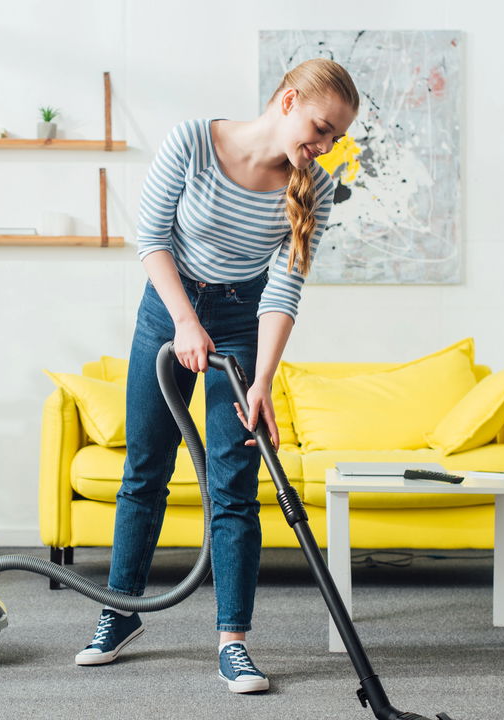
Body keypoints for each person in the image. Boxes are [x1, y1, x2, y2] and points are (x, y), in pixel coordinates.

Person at [75, 58, 359, 694]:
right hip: (166, 310)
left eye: (336, 137)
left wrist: (261, 383)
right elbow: (150, 238)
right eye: (320, 128)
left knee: (233, 484)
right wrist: (182, 322)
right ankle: (119, 613)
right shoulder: (192, 142)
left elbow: (285, 288)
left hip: (238, 321)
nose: (324, 145)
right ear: (287, 101)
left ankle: (234, 641)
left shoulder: (315, 187)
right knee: (145, 468)